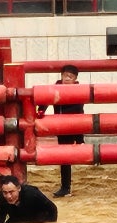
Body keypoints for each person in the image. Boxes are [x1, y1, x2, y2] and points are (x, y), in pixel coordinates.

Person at [37, 64, 84, 197]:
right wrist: (41, 111)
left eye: (71, 76)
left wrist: (80, 136)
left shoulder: (79, 90)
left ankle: (66, 186)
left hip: (74, 126)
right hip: (61, 127)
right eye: (65, 76)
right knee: (64, 158)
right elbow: (45, 100)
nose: (67, 79)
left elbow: (80, 112)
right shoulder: (55, 88)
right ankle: (65, 187)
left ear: (75, 79)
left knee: (71, 156)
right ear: (61, 76)